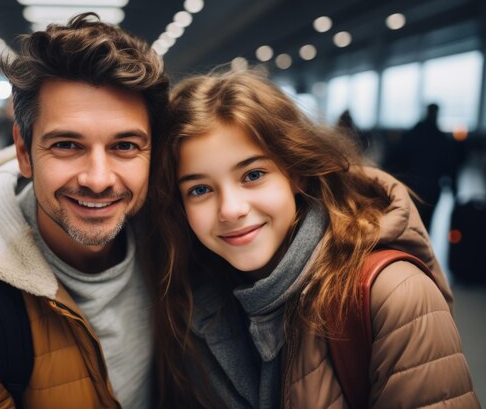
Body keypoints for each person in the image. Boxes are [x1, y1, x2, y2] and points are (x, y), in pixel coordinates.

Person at [150, 71, 479, 409]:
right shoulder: (190, 295)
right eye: (200, 189)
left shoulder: (393, 295)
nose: (230, 210)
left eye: (253, 175)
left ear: (296, 175)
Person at [0, 13, 169, 409]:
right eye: (66, 145)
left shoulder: (183, 247)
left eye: (125, 146)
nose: (98, 179)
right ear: (24, 153)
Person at [384, 103, 459, 230]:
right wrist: (453, 187)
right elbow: (450, 164)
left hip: (412, 185)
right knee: (426, 223)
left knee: (408, 221)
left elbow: (395, 158)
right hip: (432, 188)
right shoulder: (440, 137)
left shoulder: (413, 134)